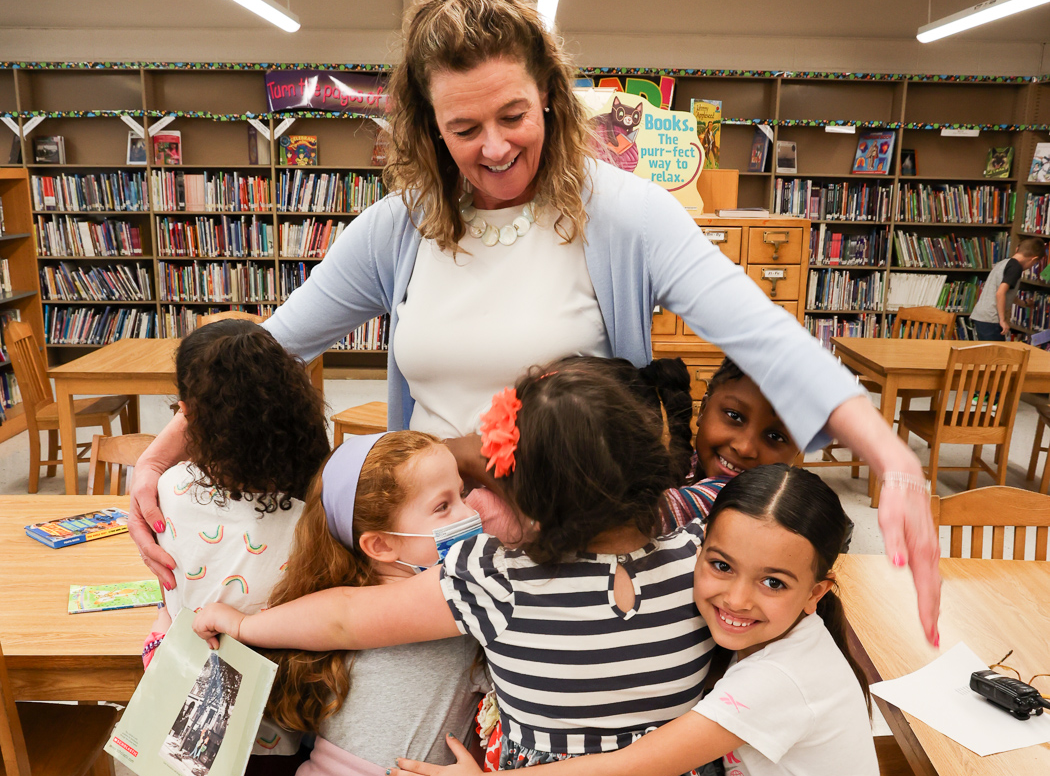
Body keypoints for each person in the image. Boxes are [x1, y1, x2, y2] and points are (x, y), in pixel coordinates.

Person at [133, 0, 940, 646]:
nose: (493, 149)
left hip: (570, 557)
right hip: (433, 552)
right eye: (463, 128)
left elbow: (759, 331)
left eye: (514, 115)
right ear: (427, 127)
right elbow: (270, 348)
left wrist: (886, 452)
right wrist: (159, 455)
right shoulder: (396, 227)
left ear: (550, 94)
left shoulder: (625, 216)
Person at [193, 359, 712, 768]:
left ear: (534, 500)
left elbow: (345, 616)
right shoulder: (703, 557)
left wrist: (243, 622)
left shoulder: (496, 576)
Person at [391, 465, 878, 776]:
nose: (737, 598)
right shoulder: (779, 637)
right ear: (696, 551)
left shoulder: (781, 679)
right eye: (722, 566)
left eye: (773, 583)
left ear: (816, 593)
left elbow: (629, 767)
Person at [146, 318, 330, 766]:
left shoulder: (168, 490)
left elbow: (171, 589)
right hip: (286, 706)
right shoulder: (317, 503)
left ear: (190, 413)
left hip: (184, 690)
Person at [267, 431, 488, 774]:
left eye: (462, 494)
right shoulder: (459, 605)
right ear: (381, 546)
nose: (470, 514)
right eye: (442, 506)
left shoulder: (323, 607)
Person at [658, 358, 799, 533]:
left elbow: (636, 512)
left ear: (798, 452)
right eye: (734, 416)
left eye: (775, 436)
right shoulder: (691, 461)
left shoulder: (734, 499)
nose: (744, 448)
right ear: (703, 408)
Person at [968, 237, 1046, 340]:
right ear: (1034, 259)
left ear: (1017, 249)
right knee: (996, 354)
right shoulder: (1016, 268)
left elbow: (1006, 293)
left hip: (982, 316)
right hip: (992, 319)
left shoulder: (1004, 263)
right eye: (1035, 264)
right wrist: (1002, 320)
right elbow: (1000, 293)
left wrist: (1023, 303)